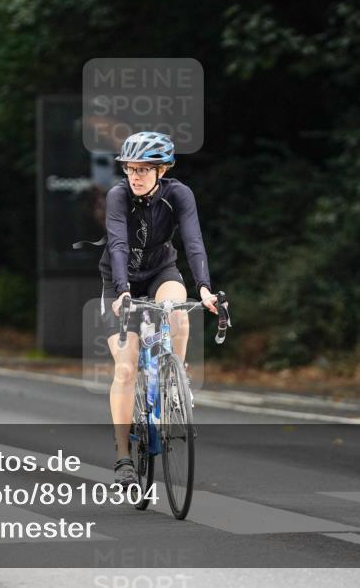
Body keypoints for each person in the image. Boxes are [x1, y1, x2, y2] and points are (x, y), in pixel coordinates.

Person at [99, 131, 218, 486]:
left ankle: (174, 383)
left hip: (160, 271)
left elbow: (193, 241)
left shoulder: (178, 194)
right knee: (126, 367)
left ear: (162, 170)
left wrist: (205, 288)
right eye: (129, 168)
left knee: (177, 310)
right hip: (119, 281)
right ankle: (123, 456)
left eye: (143, 169)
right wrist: (122, 291)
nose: (134, 176)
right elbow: (118, 244)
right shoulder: (118, 195)